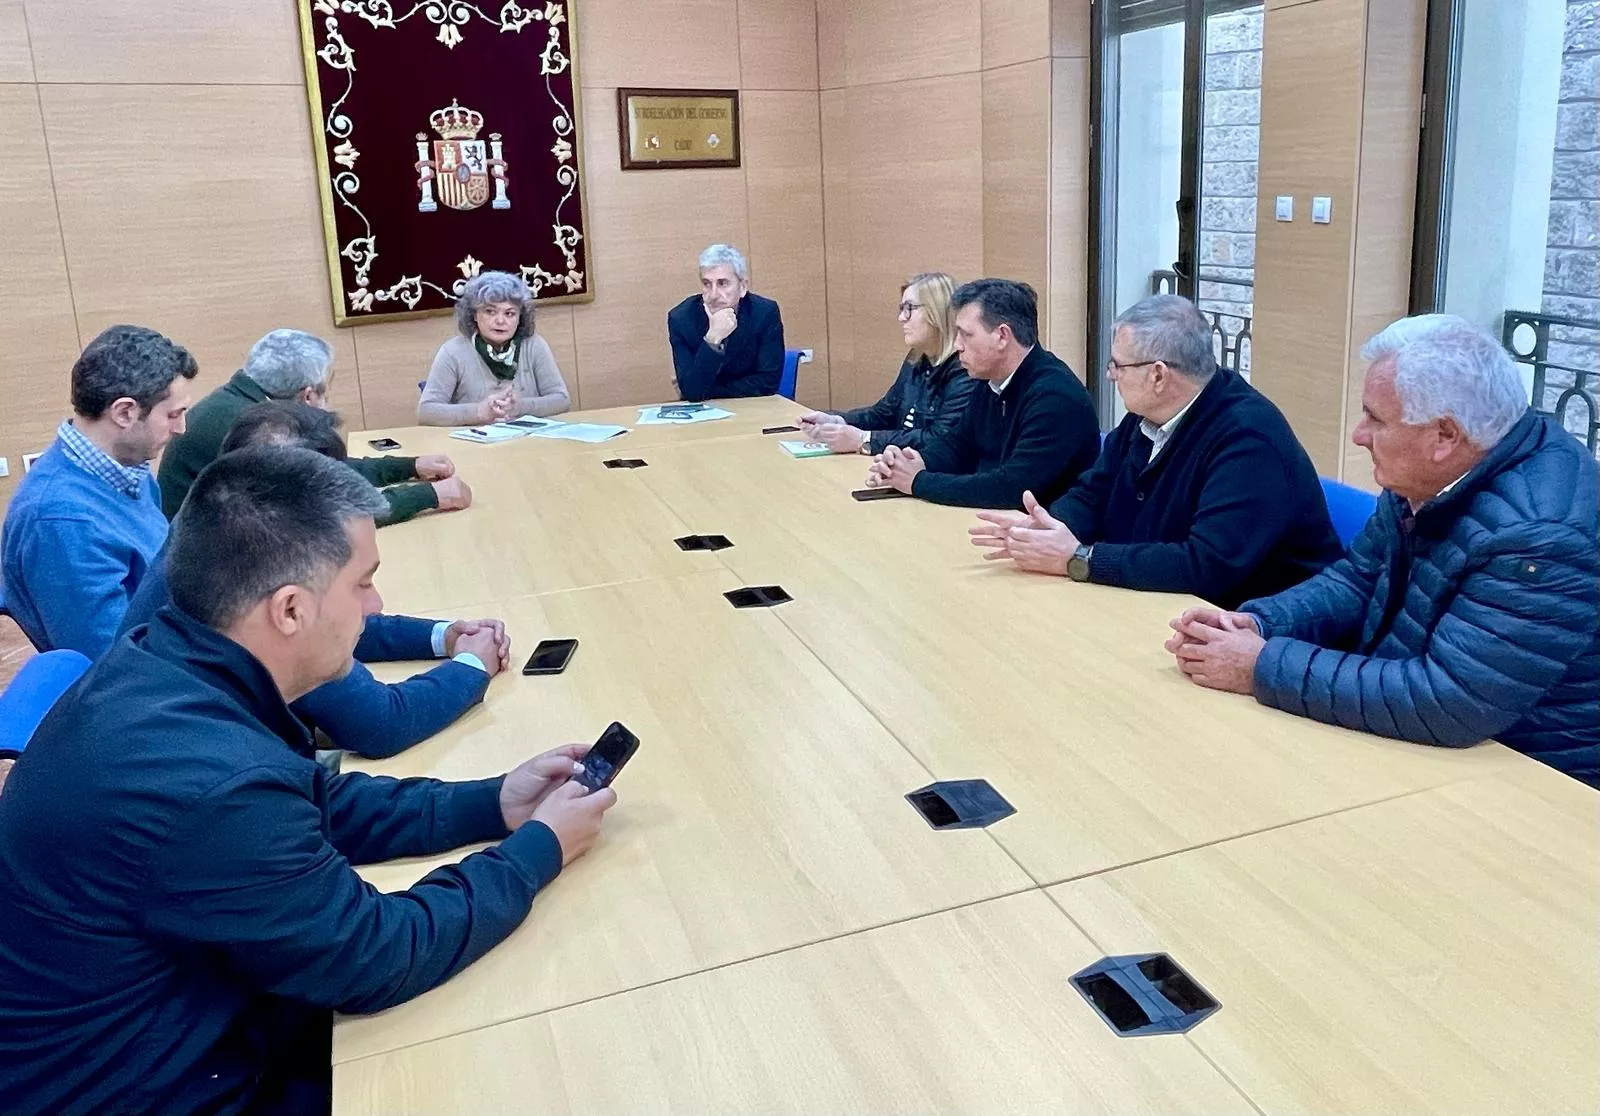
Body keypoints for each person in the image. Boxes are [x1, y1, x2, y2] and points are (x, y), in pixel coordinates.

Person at [0, 445, 618, 1114]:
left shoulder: (165, 660)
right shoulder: (208, 786)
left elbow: (308, 801)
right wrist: (538, 852)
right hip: (147, 1087)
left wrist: (494, 804)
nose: (374, 605)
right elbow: (378, 955)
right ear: (289, 610)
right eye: (362, 583)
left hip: (170, 1022)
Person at [1166, 314, 1599, 784]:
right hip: (1419, 739)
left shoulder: (1541, 535)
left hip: (1530, 779)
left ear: (1444, 436)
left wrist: (1261, 665)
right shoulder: (1431, 472)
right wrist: (1257, 622)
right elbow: (1357, 579)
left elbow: (1451, 700)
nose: (1358, 435)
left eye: (1376, 419)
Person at [120, 402, 506, 759]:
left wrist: (443, 635)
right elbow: (381, 724)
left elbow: (342, 624)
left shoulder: (214, 531)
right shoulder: (262, 574)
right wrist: (473, 664)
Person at [968, 295, 1341, 608]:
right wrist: (1046, 529)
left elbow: (1205, 566)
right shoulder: (1145, 416)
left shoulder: (1249, 440)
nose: (1111, 375)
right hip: (1156, 607)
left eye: (1117, 365)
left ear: (1158, 375)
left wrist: (1080, 559)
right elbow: (1093, 492)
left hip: (1250, 630)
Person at [0, 325, 197, 657]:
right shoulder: (59, 522)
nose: (181, 428)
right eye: (173, 415)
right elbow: (112, 661)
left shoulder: (129, 468)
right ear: (124, 412)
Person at [158, 328, 468, 523]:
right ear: (308, 396)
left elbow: (326, 469)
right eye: (326, 386)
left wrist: (410, 466)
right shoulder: (257, 430)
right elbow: (327, 511)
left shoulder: (242, 398)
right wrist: (428, 496)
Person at [864, 278, 1098, 509]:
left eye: (965, 334)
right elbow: (957, 445)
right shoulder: (990, 380)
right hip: (996, 522)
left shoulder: (1055, 397)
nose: (957, 345)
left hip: (1039, 532)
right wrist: (913, 462)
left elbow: (1012, 489)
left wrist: (917, 481)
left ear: (1002, 336)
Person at [797, 272, 976, 455]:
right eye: (901, 309)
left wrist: (864, 440)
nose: (901, 318)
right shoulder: (916, 358)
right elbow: (883, 413)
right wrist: (837, 421)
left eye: (909, 308)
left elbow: (940, 438)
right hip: (899, 463)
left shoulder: (965, 370)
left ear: (936, 311)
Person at [417, 270, 572, 426]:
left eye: (509, 313)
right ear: (474, 315)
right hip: (473, 446)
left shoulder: (534, 346)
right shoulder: (453, 352)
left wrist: (520, 407)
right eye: (490, 312)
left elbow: (561, 400)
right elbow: (426, 411)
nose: (500, 321)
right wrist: (479, 412)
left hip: (529, 443)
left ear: (520, 318)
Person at [667, 243, 786, 401]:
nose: (714, 294)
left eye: (722, 283)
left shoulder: (764, 313)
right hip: (703, 417)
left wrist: (710, 391)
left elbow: (768, 383)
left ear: (742, 287)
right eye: (707, 284)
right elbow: (692, 392)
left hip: (752, 409)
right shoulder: (681, 319)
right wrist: (712, 339)